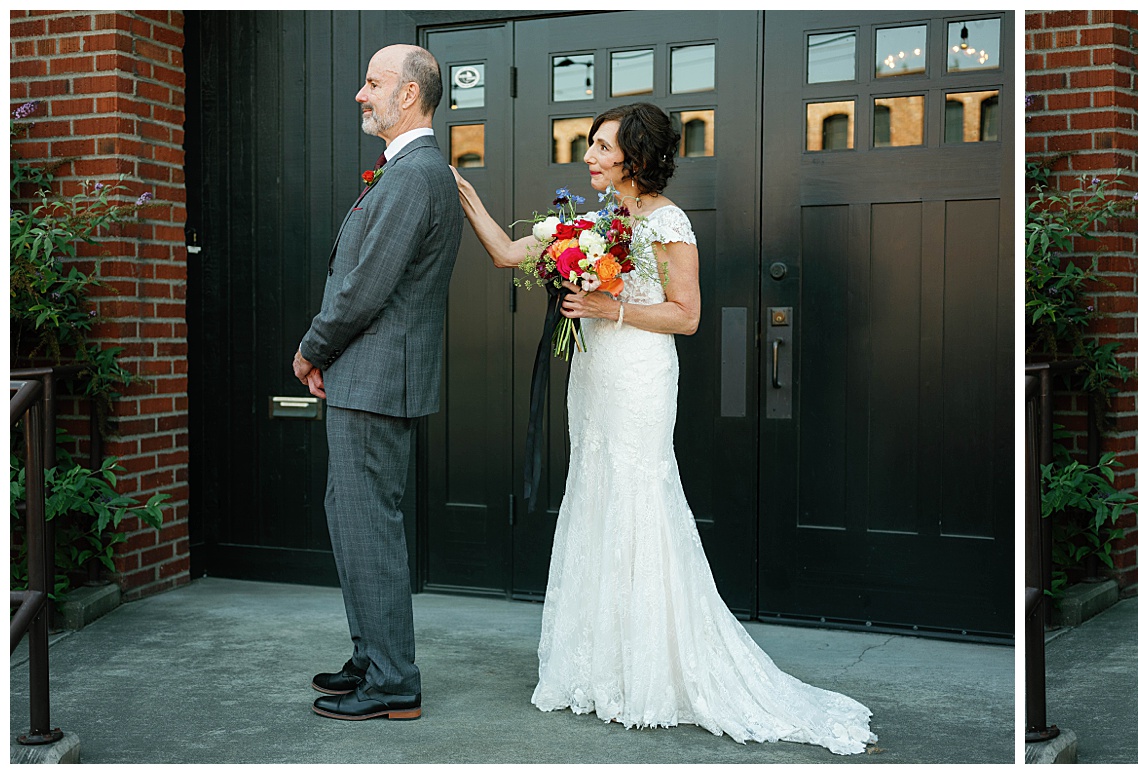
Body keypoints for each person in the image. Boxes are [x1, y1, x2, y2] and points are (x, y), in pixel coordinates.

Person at [449, 102, 875, 755]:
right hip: (592, 379)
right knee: (596, 498)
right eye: (589, 146)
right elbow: (509, 253)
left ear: (635, 157)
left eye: (599, 147)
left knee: (638, 499)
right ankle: (600, 667)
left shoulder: (669, 222)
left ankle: (649, 673)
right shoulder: (593, 220)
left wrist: (604, 305)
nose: (587, 156)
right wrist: (466, 198)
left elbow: (687, 315)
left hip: (640, 376)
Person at [295, 44, 464, 722]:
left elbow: (363, 289)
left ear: (412, 94)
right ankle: (373, 656)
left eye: (373, 83)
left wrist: (310, 350)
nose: (361, 95)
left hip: (374, 381)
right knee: (354, 523)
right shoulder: (410, 172)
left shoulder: (415, 175)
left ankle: (393, 683)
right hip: (366, 378)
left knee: (371, 529)